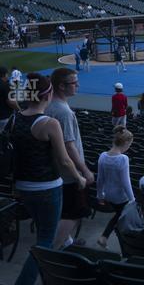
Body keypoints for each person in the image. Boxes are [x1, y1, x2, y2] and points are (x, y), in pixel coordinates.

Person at [12, 73, 87, 285]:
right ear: (48, 94)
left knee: (44, 231)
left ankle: (63, 250)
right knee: (45, 240)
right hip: (46, 187)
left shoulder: (15, 118)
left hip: (23, 188)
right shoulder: (50, 123)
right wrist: (80, 178)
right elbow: (64, 160)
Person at [46, 68, 94, 249]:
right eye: (74, 82)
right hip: (68, 173)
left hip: (56, 171)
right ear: (61, 86)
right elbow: (70, 146)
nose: (78, 85)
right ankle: (53, 250)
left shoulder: (49, 105)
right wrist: (84, 171)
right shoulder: (63, 112)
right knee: (74, 213)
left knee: (64, 210)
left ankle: (67, 242)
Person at [96, 126, 134, 248]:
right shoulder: (123, 159)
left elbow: (100, 179)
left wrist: (99, 195)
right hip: (120, 196)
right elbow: (125, 182)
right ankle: (106, 237)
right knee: (123, 215)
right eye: (130, 145)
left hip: (107, 194)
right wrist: (132, 200)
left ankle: (105, 237)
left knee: (120, 214)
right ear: (126, 143)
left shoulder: (102, 155)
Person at [0, 66, 19, 133]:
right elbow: (11, 102)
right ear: (5, 74)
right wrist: (19, 109)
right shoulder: (6, 85)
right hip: (4, 117)